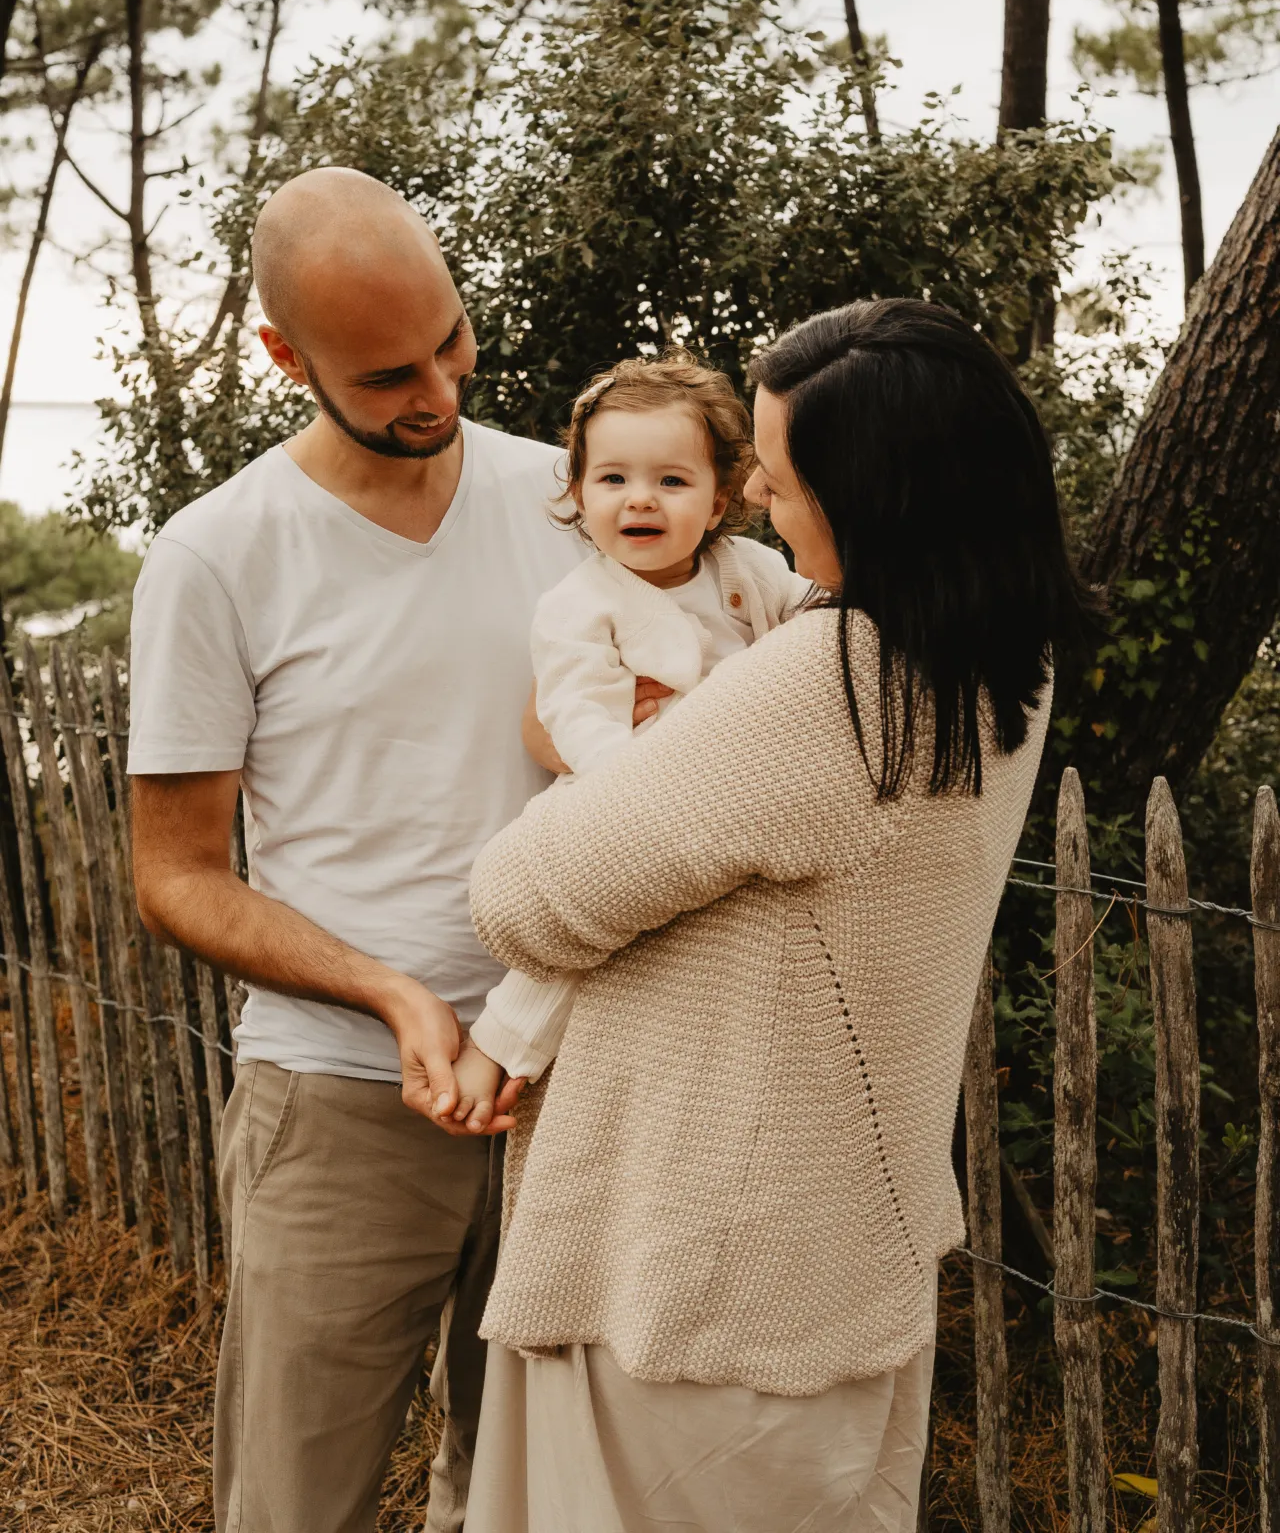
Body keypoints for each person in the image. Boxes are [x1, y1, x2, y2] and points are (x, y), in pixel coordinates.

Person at [460, 298, 1097, 1533]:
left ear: (873, 495)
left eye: (780, 474)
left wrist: (615, 753)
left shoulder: (835, 681)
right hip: (838, 1236)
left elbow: (524, 899)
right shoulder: (994, 647)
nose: (752, 494)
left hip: (706, 1267)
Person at [127, 167, 655, 1533]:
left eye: (450, 340)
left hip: (572, 1090)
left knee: (532, 1507)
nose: (437, 389)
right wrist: (390, 995)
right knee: (294, 1507)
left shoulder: (574, 503)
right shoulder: (214, 556)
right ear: (283, 357)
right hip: (341, 1103)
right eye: (385, 375)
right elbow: (176, 875)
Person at [447, 351, 811, 1129]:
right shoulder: (578, 604)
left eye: (672, 481)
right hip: (618, 785)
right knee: (573, 935)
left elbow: (813, 619)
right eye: (613, 479)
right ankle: (499, 1047)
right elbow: (576, 710)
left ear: (717, 502)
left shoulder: (748, 569)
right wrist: (633, 791)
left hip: (737, 792)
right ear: (579, 495)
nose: (640, 498)